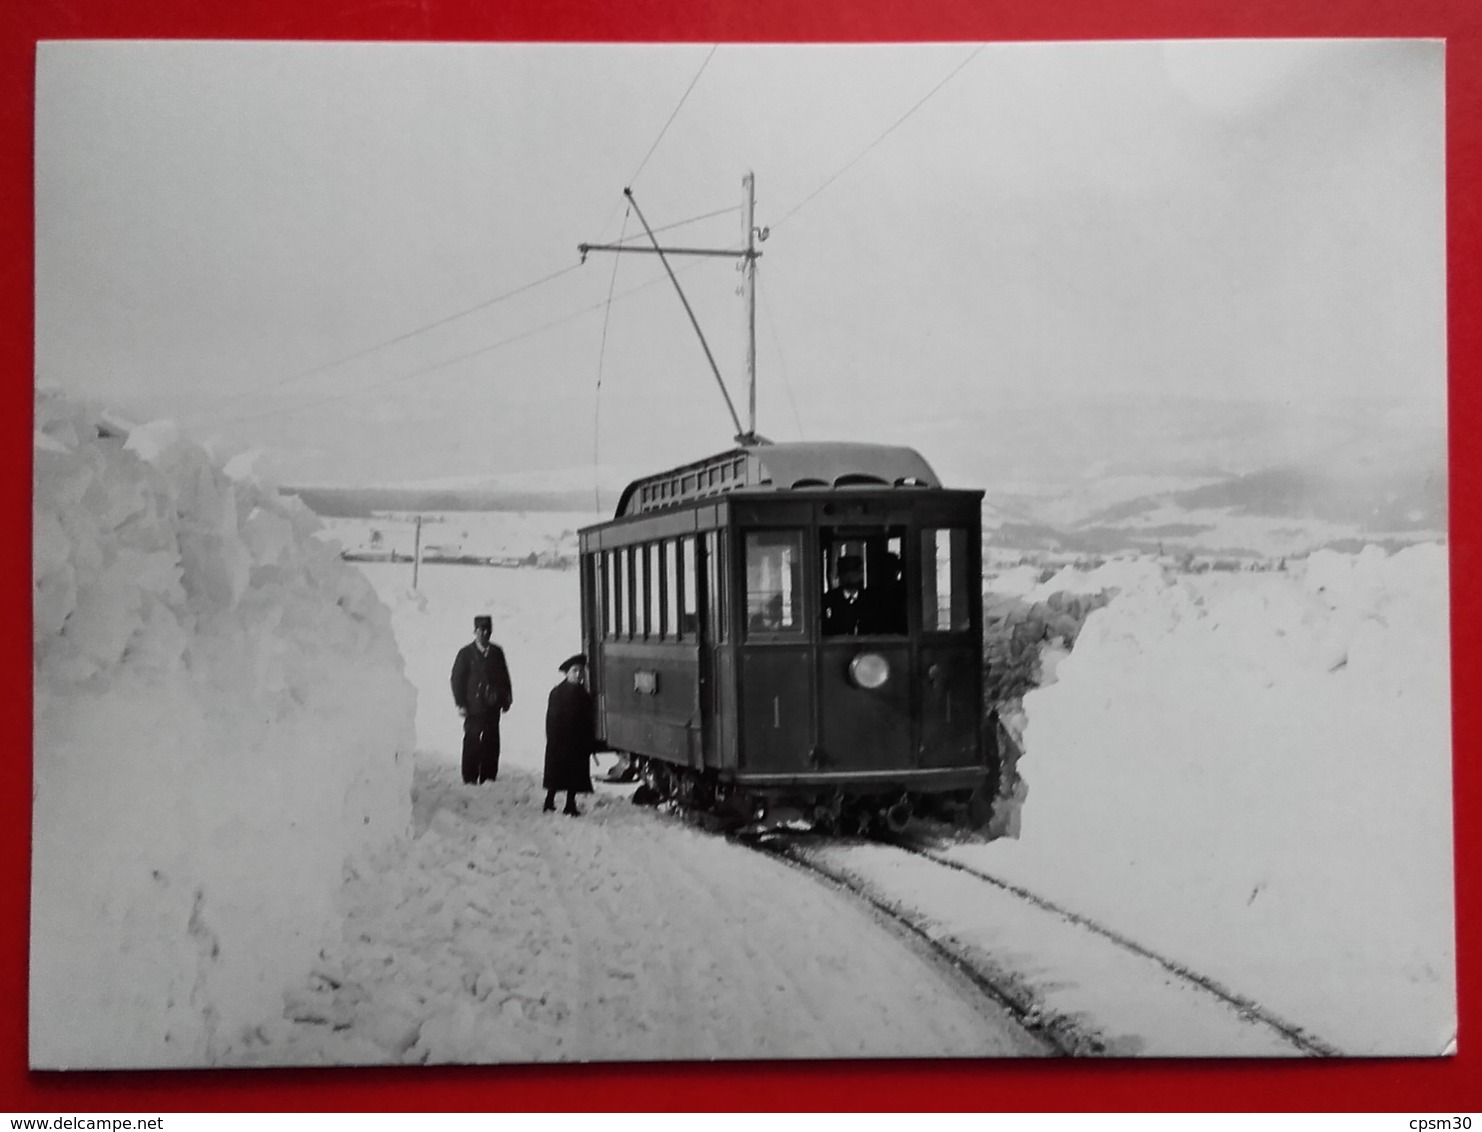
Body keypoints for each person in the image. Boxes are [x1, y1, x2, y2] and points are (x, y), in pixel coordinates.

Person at [450, 614, 513, 785]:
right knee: (472, 741)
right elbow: (457, 680)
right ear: (475, 632)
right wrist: (461, 703)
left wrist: (506, 699)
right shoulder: (466, 654)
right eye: (481, 630)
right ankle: (469, 778)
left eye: (487, 630)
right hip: (473, 707)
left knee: (492, 742)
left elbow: (504, 678)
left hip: (492, 706)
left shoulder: (496, 653)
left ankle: (489, 777)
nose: (484, 634)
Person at [543, 653, 596, 816]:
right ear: (567, 673)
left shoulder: (585, 696)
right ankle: (549, 801)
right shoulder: (557, 693)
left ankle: (570, 804)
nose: (578, 674)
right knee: (557, 775)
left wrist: (589, 741)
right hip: (560, 742)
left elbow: (588, 721)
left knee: (574, 775)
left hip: (577, 742)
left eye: (580, 671)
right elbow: (551, 719)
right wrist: (553, 739)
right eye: (574, 671)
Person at [821, 554, 875, 636]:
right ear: (839, 575)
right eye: (845, 572)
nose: (849, 576)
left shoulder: (871, 599)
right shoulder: (829, 599)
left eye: (854, 572)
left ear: (860, 574)